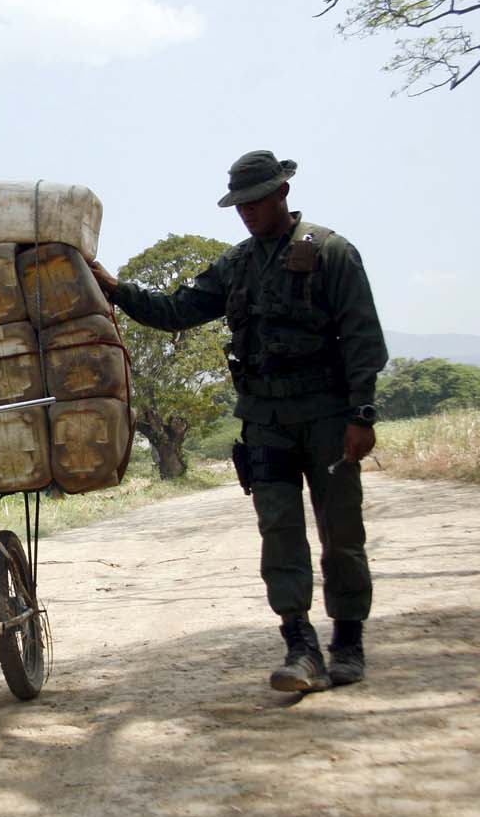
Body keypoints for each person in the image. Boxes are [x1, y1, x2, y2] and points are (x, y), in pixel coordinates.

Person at [88, 151, 388, 693]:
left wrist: (361, 414)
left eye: (254, 202)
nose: (246, 212)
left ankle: (349, 642)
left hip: (326, 416)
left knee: (341, 532)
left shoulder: (333, 252)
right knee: (279, 532)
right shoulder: (238, 264)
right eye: (239, 205)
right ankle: (300, 647)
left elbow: (364, 338)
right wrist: (113, 287)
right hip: (265, 422)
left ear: (283, 195)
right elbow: (176, 310)